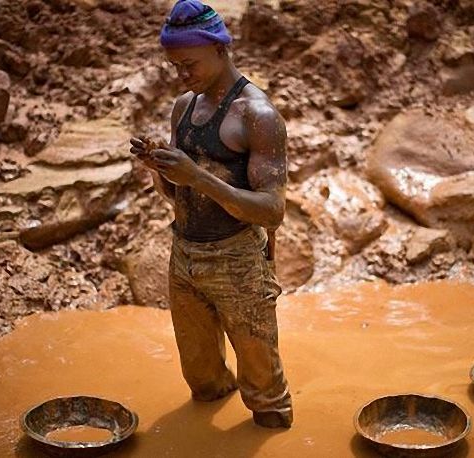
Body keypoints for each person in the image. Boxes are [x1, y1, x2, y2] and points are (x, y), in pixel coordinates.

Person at [129, 0, 292, 429]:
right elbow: (177, 193)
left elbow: (273, 212)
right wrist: (160, 171)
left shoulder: (258, 116)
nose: (182, 75)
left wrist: (197, 177)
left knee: (266, 399)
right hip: (184, 253)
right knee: (202, 382)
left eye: (189, 64)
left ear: (221, 50)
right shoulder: (184, 106)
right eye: (174, 66)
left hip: (237, 258)